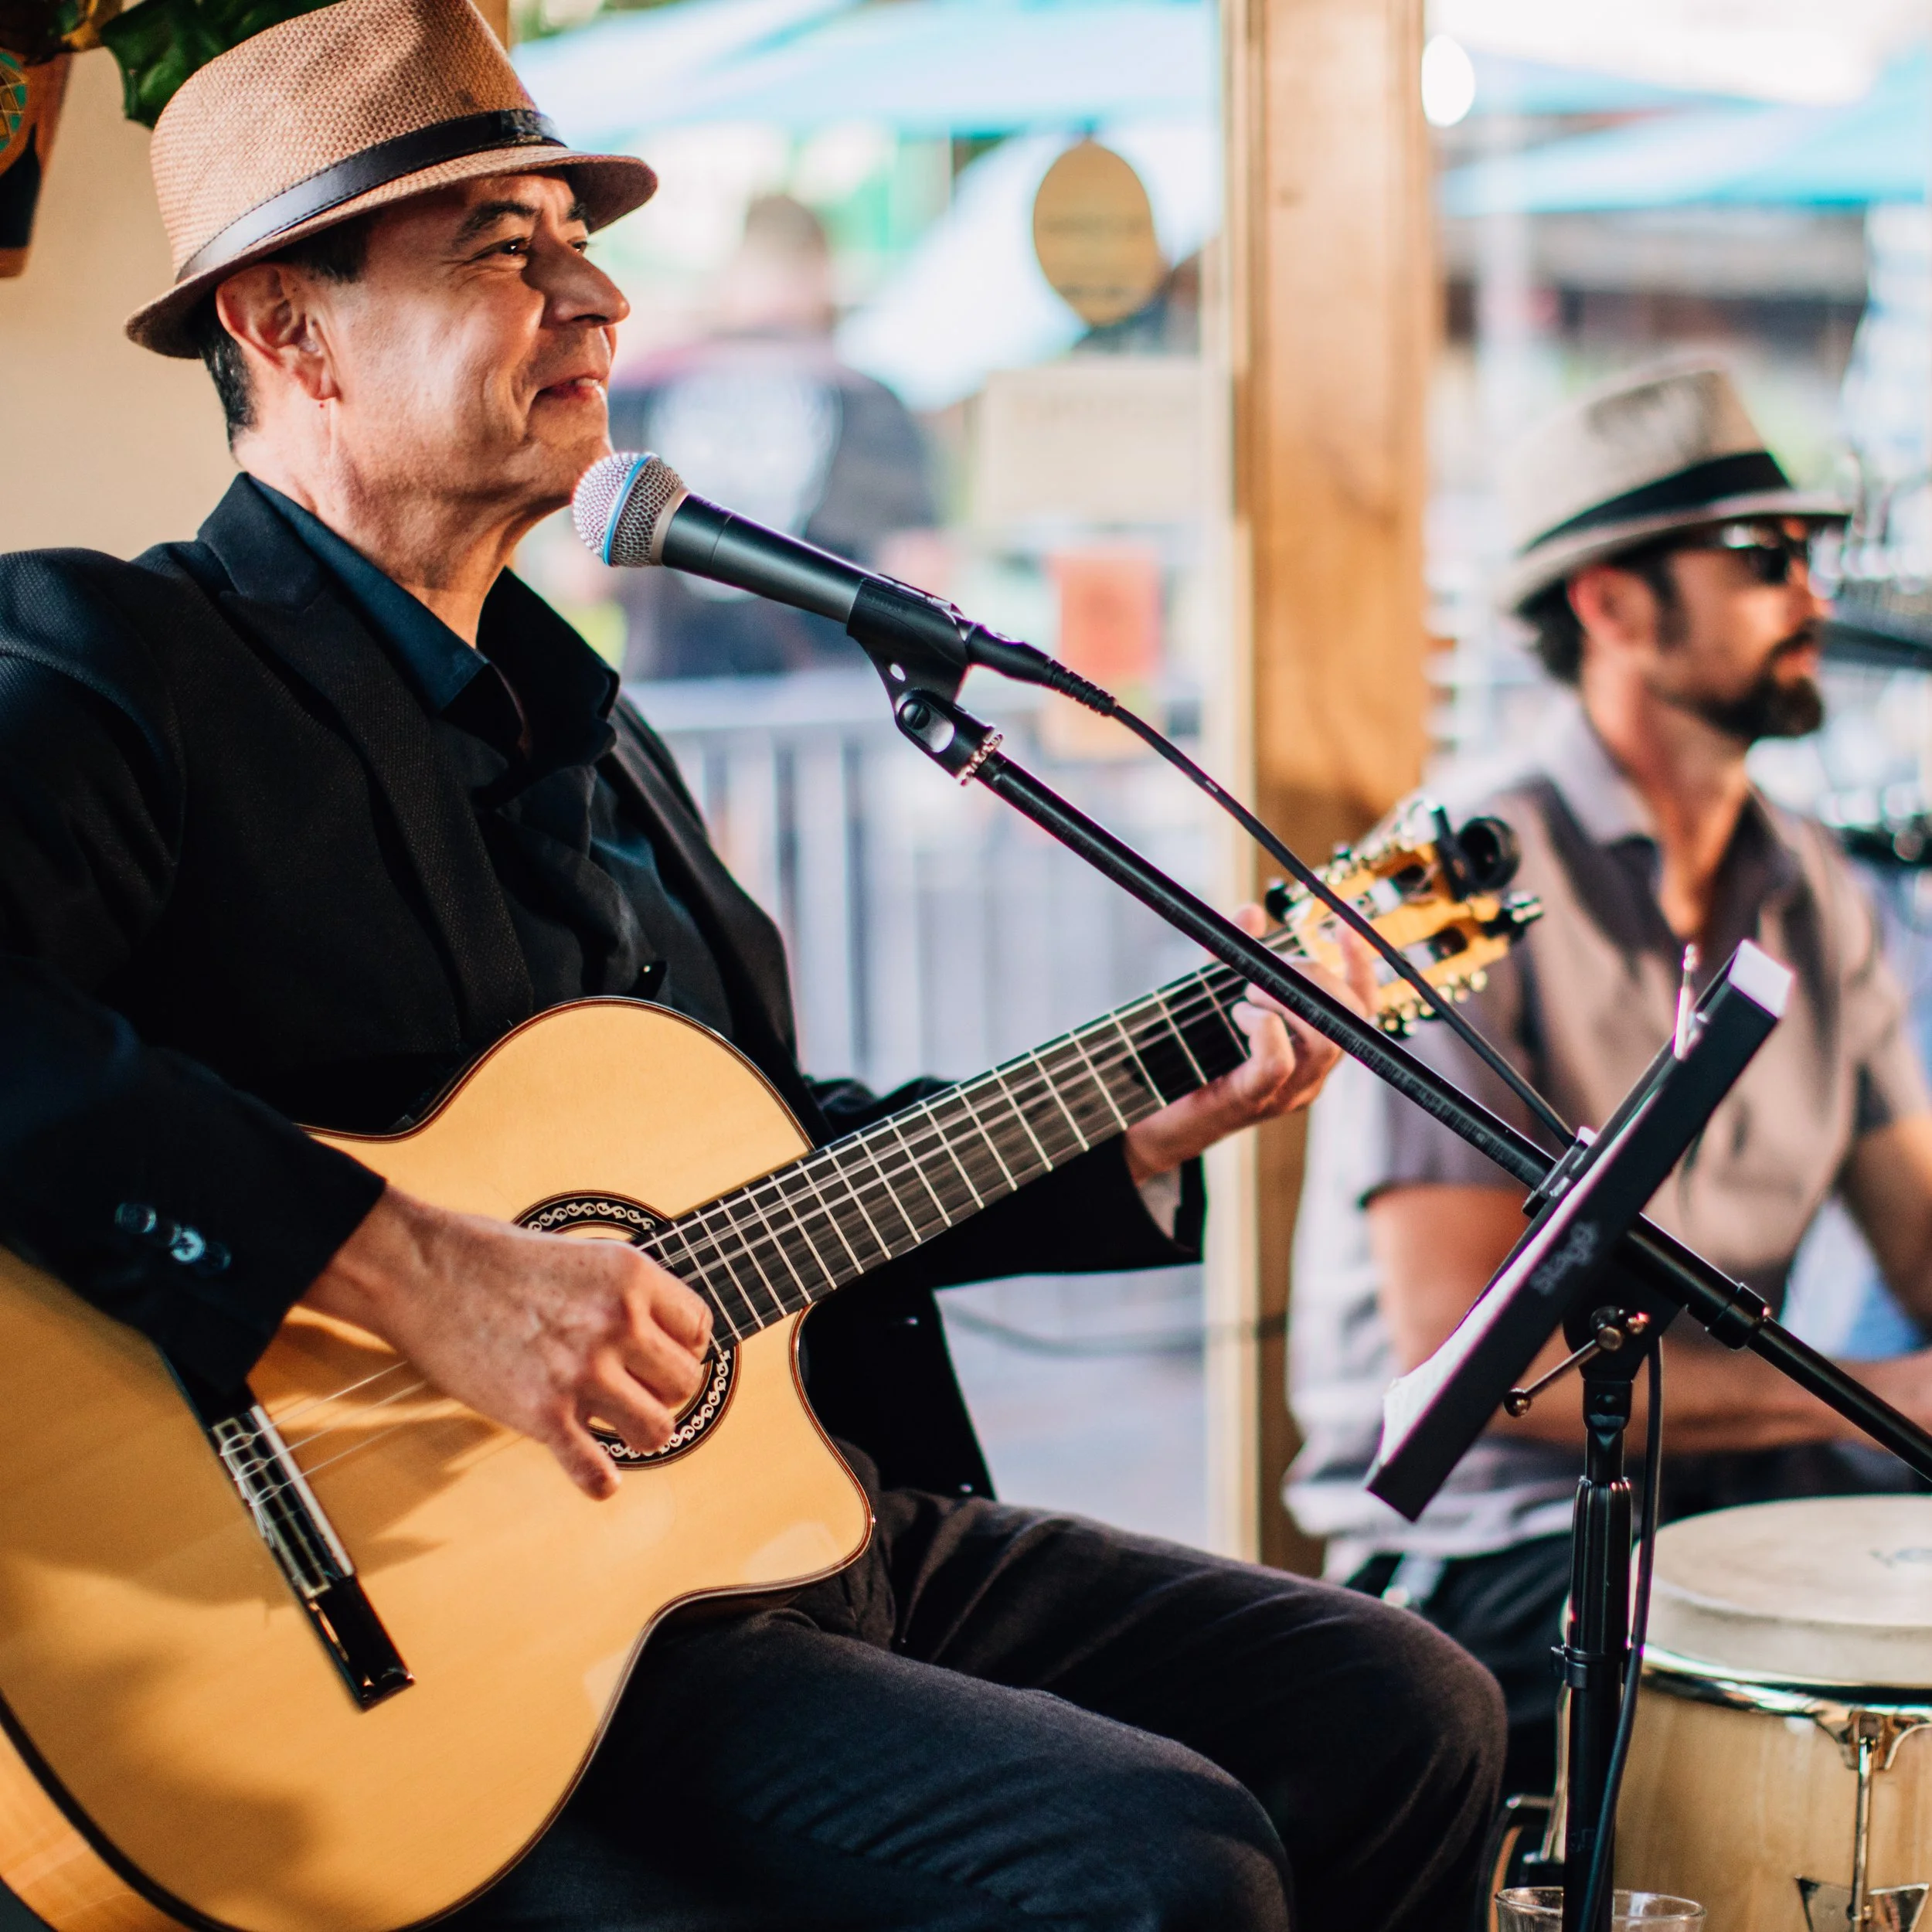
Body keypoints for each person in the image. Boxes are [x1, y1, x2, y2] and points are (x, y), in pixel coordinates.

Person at [0, 3, 1503, 1928]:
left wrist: (1139, 1126)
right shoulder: (125, 670)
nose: (593, 298)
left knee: (1409, 1711)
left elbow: (765, 1182)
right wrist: (416, 1271)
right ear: (285, 327)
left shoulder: (608, 750)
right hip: (441, 1636)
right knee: (1155, 1867)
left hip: (784, 1522)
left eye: (581, 240)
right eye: (502, 248)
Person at [1286, 359, 1932, 1799]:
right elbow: (1478, 1359)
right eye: (1766, 561)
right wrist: (1877, 1394)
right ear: (1611, 603)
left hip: (1738, 1493)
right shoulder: (1459, 874)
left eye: (1814, 558)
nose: (1815, 598)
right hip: (1482, 1548)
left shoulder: (1818, 889)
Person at [607, 192, 944, 679]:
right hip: (825, 703)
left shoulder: (644, 390)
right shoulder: (867, 400)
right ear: (822, 275)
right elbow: (922, 570)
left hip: (671, 693)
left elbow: (579, 574)